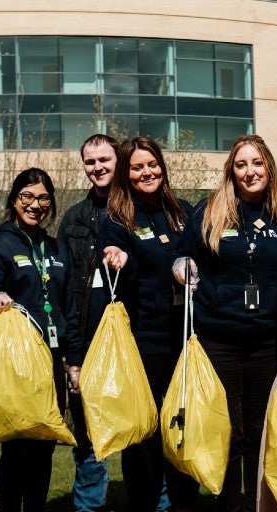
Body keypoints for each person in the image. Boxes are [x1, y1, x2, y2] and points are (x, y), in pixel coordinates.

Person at [173, 134, 277, 512]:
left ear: (269, 169)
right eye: (241, 164)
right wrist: (182, 268)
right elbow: (183, 256)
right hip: (219, 340)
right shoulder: (208, 212)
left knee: (260, 433)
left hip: (268, 343)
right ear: (231, 171)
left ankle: (260, 504)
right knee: (227, 431)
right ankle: (228, 506)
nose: (249, 171)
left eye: (257, 163)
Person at [0, 168, 76, 512]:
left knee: (43, 445)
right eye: (27, 197)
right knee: (17, 448)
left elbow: (68, 306)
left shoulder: (56, 247)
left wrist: (73, 361)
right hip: (15, 364)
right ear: (14, 200)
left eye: (43, 198)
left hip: (51, 362)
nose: (35, 205)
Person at [100, 135, 198, 512]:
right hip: (144, 342)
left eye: (152, 164)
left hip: (184, 339)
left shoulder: (182, 211)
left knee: (183, 430)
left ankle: (183, 505)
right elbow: (119, 270)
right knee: (144, 438)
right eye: (137, 167)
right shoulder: (116, 219)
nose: (147, 172)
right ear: (126, 173)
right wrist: (118, 258)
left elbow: (197, 254)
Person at [57, 134, 116, 512]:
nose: (98, 167)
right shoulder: (73, 219)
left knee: (147, 438)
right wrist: (72, 357)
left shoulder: (138, 212)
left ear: (118, 160)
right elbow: (65, 295)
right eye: (91, 161)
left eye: (105, 159)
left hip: (136, 347)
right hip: (88, 348)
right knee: (90, 447)